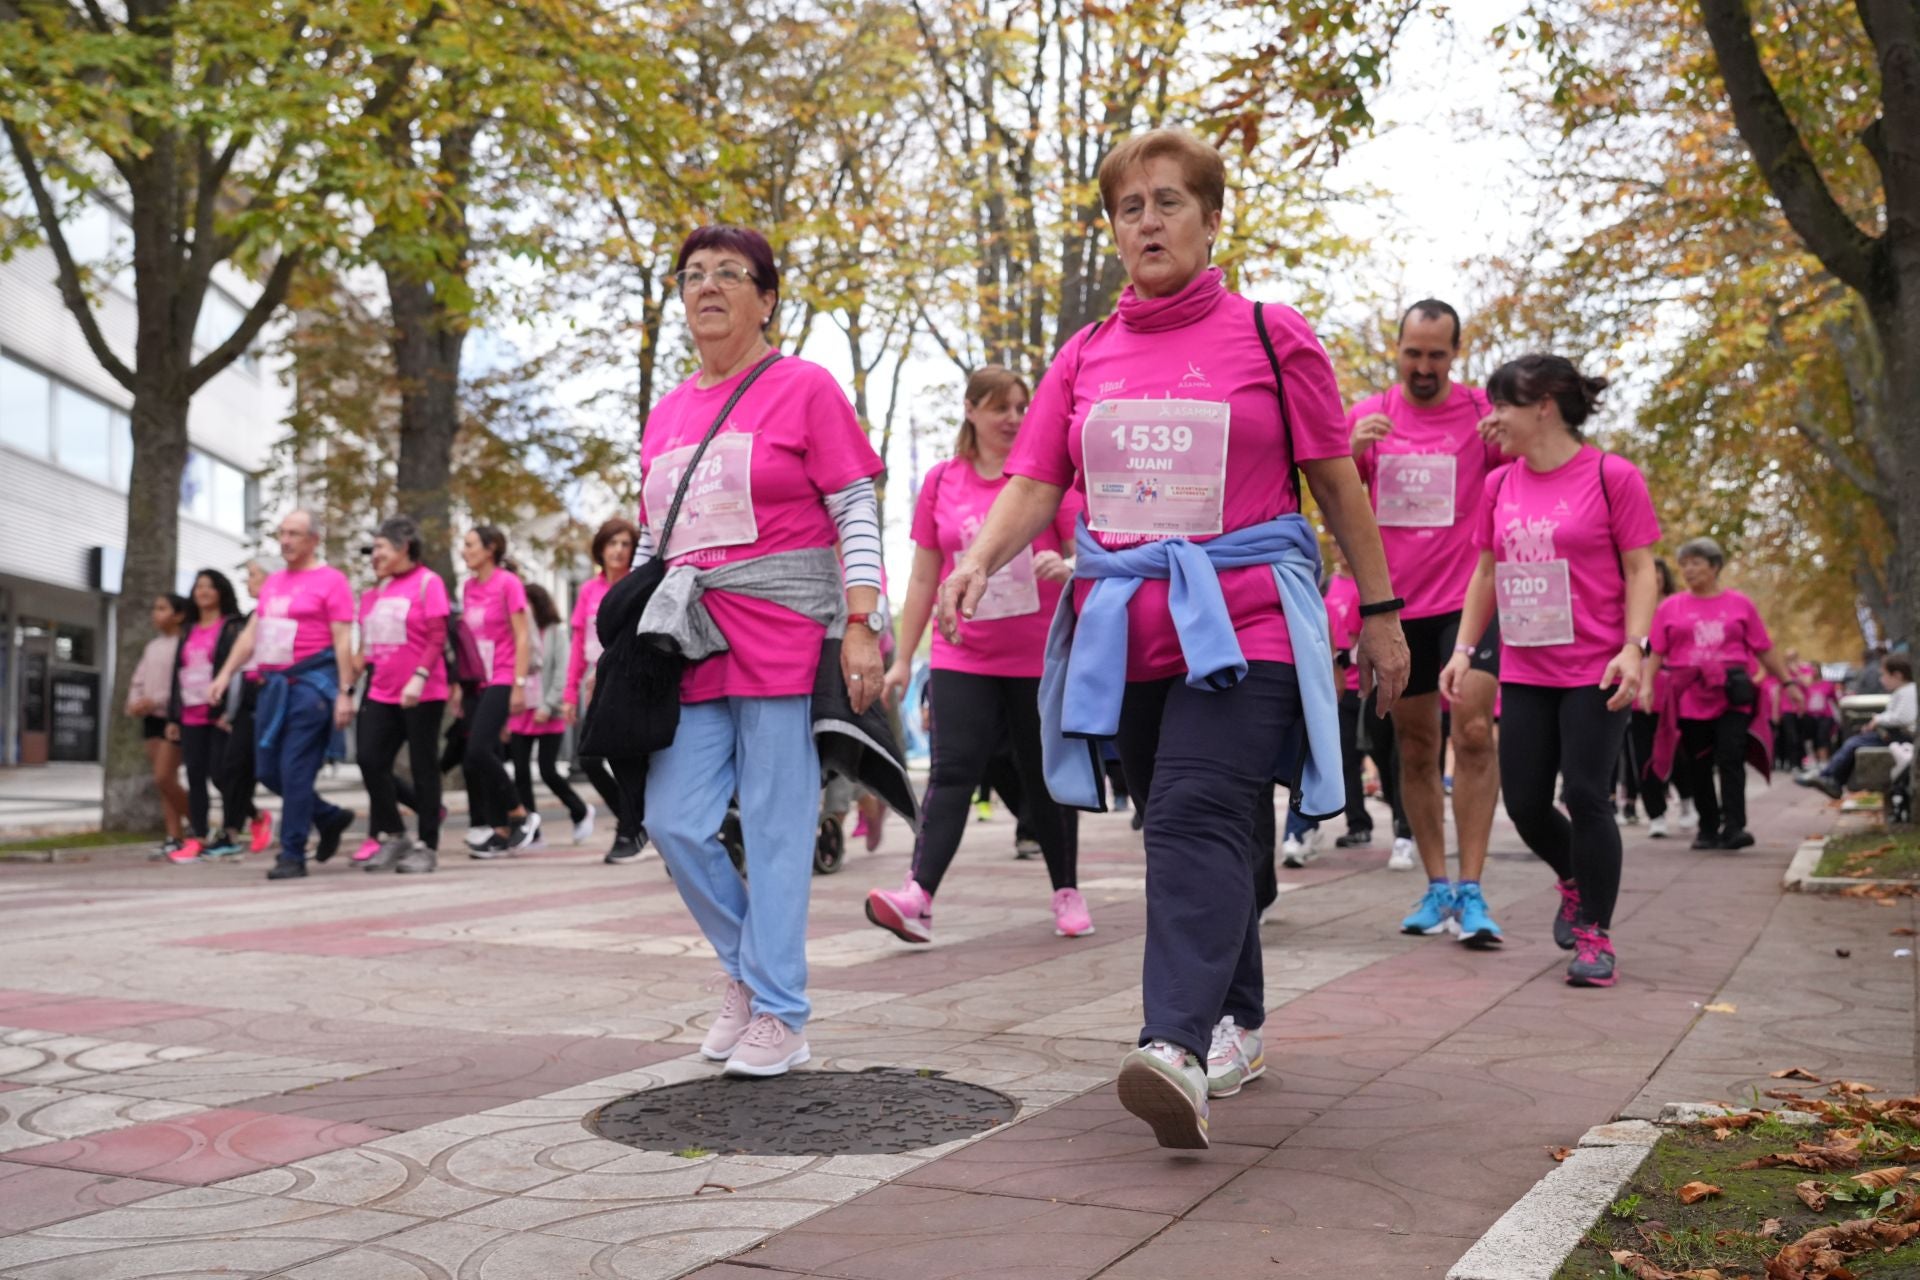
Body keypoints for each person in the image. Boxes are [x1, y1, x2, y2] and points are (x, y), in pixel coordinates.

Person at [937, 129, 1409, 1148]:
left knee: (1196, 812)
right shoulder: (1084, 356)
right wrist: (979, 557)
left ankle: (1177, 1045)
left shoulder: (1271, 335)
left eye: (1167, 201)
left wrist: (1379, 612)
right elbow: (1034, 481)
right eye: (1128, 207)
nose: (1146, 221)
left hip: (1248, 621)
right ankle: (1239, 1016)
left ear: (1210, 216)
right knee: (1202, 823)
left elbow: (1334, 482)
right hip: (1131, 634)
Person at [638, 225, 886, 1079]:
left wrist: (862, 618)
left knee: (779, 832)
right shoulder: (666, 412)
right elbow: (652, 537)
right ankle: (749, 973)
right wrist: (626, 636)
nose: (708, 286)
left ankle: (781, 1010)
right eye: (693, 274)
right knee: (673, 819)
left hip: (785, 637)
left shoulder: (804, 387)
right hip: (692, 645)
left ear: (768, 299)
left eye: (730, 274)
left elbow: (855, 505)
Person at [1440, 355, 1661, 988]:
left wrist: (1634, 647)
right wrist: (1462, 649)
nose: (1492, 419)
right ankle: (1574, 878)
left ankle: (1595, 932)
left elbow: (1641, 568)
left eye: (1501, 405)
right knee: (1529, 805)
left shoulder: (1612, 476)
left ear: (1543, 406)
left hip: (1596, 667)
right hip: (1527, 664)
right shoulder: (1500, 485)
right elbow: (1486, 571)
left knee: (1587, 796)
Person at [866, 366, 1090, 944]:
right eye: (1001, 408)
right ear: (971, 410)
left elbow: (1085, 553)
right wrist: (901, 658)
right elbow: (922, 579)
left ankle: (1065, 889)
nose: (1014, 418)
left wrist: (1065, 566)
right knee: (952, 772)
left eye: (1021, 407)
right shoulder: (942, 482)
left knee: (1044, 779)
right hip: (962, 655)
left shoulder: (1044, 481)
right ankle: (918, 895)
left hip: (1038, 658)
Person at [1348, 300, 1507, 946]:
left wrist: (1510, 448)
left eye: (1436, 355)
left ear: (1455, 354)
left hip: (1468, 602)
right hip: (1397, 607)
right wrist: (1348, 451)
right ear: (1399, 348)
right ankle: (1436, 884)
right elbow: (1334, 495)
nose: (1422, 366)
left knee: (1471, 733)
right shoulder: (1367, 417)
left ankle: (1472, 889)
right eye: (1413, 353)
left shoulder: (1480, 415)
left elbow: (1514, 489)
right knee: (1413, 746)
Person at [207, 511, 357, 880]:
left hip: (311, 687)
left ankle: (292, 853)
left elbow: (342, 640)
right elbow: (251, 635)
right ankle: (329, 817)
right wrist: (226, 674)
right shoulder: (274, 584)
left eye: (294, 534)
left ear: (314, 540)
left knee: (296, 771)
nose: (286, 540)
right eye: (282, 533)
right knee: (269, 771)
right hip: (273, 688)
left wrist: (344, 692)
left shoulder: (332, 581)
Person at [1643, 537, 1790, 850]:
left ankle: (1735, 826)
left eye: (1696, 563)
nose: (1689, 570)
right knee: (1699, 762)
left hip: (1731, 693)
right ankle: (1708, 827)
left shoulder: (1740, 604)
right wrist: (1645, 685)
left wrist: (1788, 683)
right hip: (1689, 695)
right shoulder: (1670, 607)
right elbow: (1656, 651)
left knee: (1730, 757)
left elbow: (1763, 648)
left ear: (1714, 567)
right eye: (1684, 564)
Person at [352, 516, 450, 874]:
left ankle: (427, 844)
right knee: (369, 759)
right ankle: (394, 834)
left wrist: (420, 677)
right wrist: (347, 689)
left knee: (424, 767)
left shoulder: (428, 583)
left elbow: (437, 636)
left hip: (422, 692)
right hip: (381, 691)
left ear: (403, 547)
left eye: (380, 548)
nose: (374, 555)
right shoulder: (375, 592)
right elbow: (366, 649)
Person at [565, 517, 648, 863]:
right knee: (589, 758)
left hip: (627, 680)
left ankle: (629, 830)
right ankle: (634, 821)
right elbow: (578, 643)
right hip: (592, 684)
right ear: (600, 548)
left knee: (629, 758)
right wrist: (569, 693)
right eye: (612, 543)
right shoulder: (588, 590)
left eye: (625, 543)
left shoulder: (638, 585)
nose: (618, 550)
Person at [458, 525, 540, 856]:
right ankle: (501, 828)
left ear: (490, 549)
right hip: (478, 679)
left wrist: (519, 685)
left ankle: (520, 814)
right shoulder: (467, 587)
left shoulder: (508, 583)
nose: (464, 551)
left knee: (478, 751)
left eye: (470, 545)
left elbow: (522, 637)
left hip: (504, 676)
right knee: (479, 755)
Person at [166, 570, 247, 861]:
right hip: (190, 713)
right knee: (195, 776)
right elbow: (177, 673)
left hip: (219, 713)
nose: (202, 592)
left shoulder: (232, 627)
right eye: (198, 586)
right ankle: (198, 835)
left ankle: (231, 830)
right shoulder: (188, 629)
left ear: (221, 592)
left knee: (221, 773)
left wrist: (231, 710)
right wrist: (174, 717)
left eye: (209, 587)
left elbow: (238, 671)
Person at [508, 582, 593, 843]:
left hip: (548, 712)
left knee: (548, 771)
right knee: (520, 771)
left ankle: (580, 811)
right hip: (522, 711)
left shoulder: (555, 633)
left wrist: (547, 706)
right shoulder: (517, 632)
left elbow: (562, 672)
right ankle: (531, 831)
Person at [219, 557, 278, 856]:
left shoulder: (280, 612)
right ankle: (234, 830)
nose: (248, 580)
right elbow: (242, 658)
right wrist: (223, 684)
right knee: (230, 767)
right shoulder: (254, 615)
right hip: (248, 697)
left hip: (277, 692)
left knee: (271, 770)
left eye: (253, 575)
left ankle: (311, 818)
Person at [127, 592, 190, 858]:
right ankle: (174, 836)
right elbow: (137, 680)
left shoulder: (186, 644)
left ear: (179, 614)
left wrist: (156, 701)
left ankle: (201, 824)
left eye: (162, 608)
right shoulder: (152, 647)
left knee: (163, 776)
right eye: (155, 608)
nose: (156, 613)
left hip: (173, 717)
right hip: (150, 719)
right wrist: (135, 702)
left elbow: (182, 683)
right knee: (165, 782)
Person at [1799, 652, 1914, 796]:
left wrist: (1878, 720)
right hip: (1895, 735)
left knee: (1853, 743)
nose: (1881, 679)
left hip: (1900, 737)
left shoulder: (1907, 691)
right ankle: (1830, 777)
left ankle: (1830, 777)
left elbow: (1904, 717)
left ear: (1897, 675)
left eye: (1884, 675)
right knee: (1854, 742)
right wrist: (1877, 720)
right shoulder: (1902, 691)